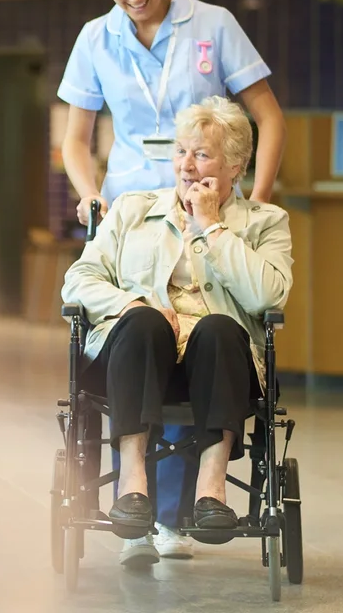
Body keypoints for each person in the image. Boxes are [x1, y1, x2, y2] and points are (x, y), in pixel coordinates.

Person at [57, 0, 289, 565]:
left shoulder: (212, 25)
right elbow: (76, 138)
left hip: (211, 201)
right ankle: (140, 508)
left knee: (210, 327)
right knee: (142, 327)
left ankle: (179, 514)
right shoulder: (95, 38)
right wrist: (90, 193)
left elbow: (268, 116)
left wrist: (249, 202)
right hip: (134, 209)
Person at [60, 96, 293, 543]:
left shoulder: (265, 223)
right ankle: (132, 485)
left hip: (218, 364)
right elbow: (78, 280)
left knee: (220, 328)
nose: (186, 165)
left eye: (201, 154)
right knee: (144, 322)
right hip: (140, 355)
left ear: (235, 166)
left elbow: (268, 295)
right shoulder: (131, 209)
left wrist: (212, 227)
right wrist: (129, 304)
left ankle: (211, 489)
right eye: (181, 151)